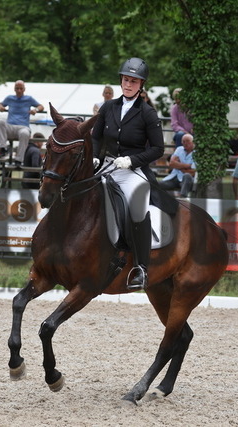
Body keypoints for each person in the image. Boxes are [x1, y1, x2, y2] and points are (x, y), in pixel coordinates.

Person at [92, 57, 164, 290]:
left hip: (133, 171)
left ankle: (141, 268)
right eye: (125, 80)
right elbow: (96, 137)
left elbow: (158, 149)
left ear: (141, 84)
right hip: (107, 165)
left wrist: (132, 160)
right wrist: (95, 156)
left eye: (133, 81)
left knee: (137, 208)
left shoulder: (147, 113)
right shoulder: (108, 107)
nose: (128, 84)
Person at [0, 80, 45, 164]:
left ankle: (19, 159)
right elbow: (1, 104)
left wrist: (35, 110)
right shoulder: (9, 98)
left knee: (25, 133)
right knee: (0, 121)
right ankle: (3, 148)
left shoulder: (29, 99)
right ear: (14, 89)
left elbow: (41, 106)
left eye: (21, 88)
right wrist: (0, 107)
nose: (19, 90)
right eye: (17, 88)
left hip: (23, 127)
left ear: (24, 89)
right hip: (10, 126)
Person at [158, 133, 195, 198]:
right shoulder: (179, 149)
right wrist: (188, 166)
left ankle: (182, 198)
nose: (185, 143)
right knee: (156, 184)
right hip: (174, 178)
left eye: (187, 141)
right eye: (183, 141)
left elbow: (193, 172)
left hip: (186, 180)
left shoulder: (196, 154)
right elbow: (171, 163)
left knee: (187, 176)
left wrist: (178, 165)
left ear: (192, 142)